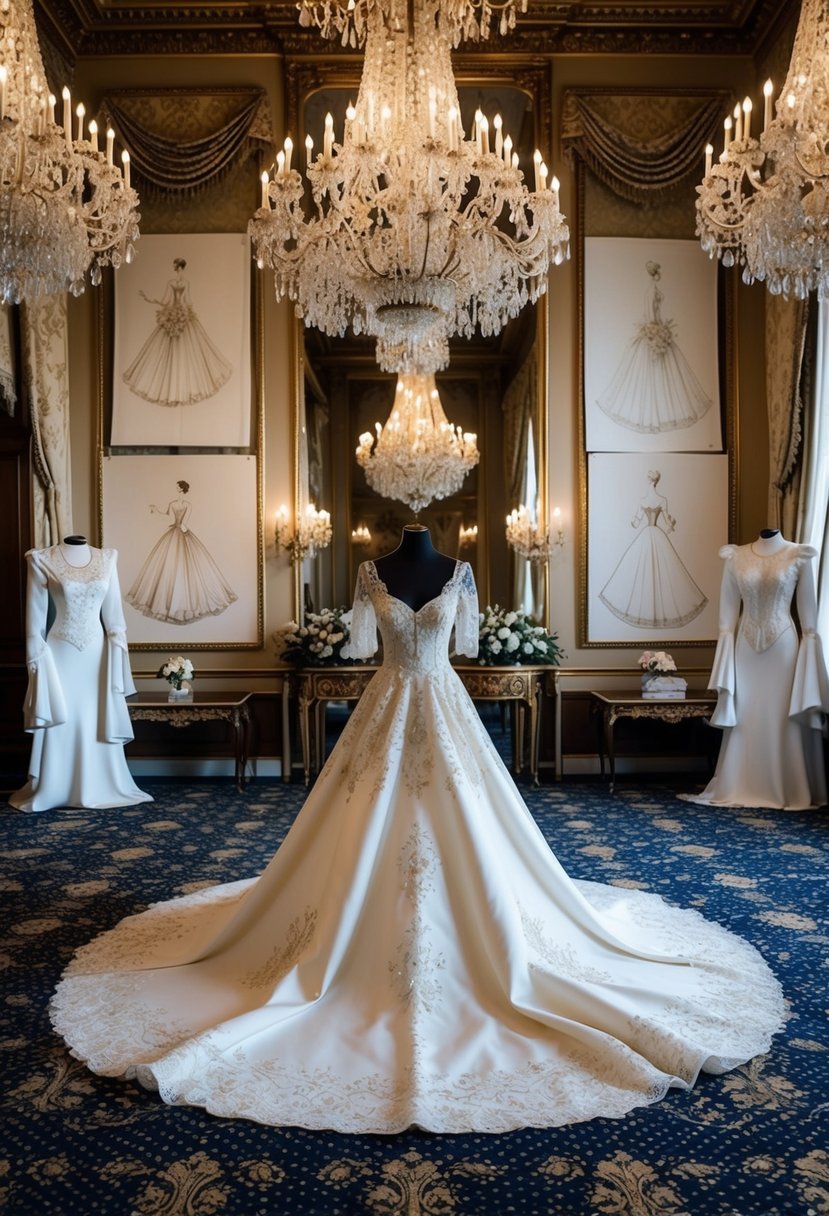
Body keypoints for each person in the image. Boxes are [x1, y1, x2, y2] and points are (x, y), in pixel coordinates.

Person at [50, 525, 784, 1134]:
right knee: (355, 821)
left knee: (475, 823)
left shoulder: (457, 572)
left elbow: (457, 642)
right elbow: (357, 646)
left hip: (443, 705)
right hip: (385, 707)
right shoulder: (373, 571)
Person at [681, 529, 829, 810]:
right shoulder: (735, 556)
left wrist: (811, 662)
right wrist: (724, 654)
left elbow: (809, 618)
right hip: (745, 648)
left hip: (784, 648)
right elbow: (727, 615)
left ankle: (791, 786)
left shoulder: (798, 554)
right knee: (747, 713)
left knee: (781, 714)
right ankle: (739, 783)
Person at [9, 536, 151, 813]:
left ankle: (102, 784)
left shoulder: (107, 558)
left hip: (97, 654)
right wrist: (35, 660)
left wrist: (118, 655)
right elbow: (35, 620)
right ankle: (55, 786)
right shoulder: (40, 559)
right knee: (64, 716)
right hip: (59, 652)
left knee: (93, 715)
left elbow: (114, 617)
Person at [596, 260, 712, 434]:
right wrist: (657, 332)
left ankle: (664, 413)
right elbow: (651, 315)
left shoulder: (653, 289)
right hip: (653, 332)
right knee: (648, 376)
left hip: (657, 332)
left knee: (666, 375)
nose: (659, 273)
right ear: (654, 273)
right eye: (657, 271)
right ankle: (653, 416)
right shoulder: (650, 292)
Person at [599, 469, 707, 630]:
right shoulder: (662, 500)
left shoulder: (642, 500)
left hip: (646, 534)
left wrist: (630, 521)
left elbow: (635, 523)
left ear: (649, 479)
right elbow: (668, 524)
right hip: (657, 534)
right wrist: (672, 523)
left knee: (643, 570)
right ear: (657, 481)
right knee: (663, 571)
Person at [122, 257, 232, 407]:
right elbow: (185, 301)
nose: (174, 267)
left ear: (178, 267)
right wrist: (186, 312)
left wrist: (151, 300)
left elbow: (167, 301)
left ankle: (174, 391)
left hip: (178, 314)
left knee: (182, 350)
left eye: (175, 265)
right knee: (179, 349)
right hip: (179, 314)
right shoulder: (183, 283)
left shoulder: (173, 283)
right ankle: (177, 390)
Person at [125, 480, 237, 624]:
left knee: (181, 564)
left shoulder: (178, 504)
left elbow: (174, 518)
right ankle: (173, 602)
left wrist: (178, 526)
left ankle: (177, 602)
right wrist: (156, 509)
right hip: (180, 532)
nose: (176, 487)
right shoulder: (183, 504)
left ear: (181, 489)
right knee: (176, 564)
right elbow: (174, 518)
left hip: (176, 533)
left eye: (178, 486)